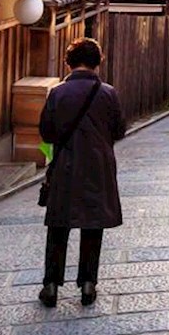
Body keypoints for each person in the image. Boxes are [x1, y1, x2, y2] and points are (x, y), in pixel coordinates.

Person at [38, 38, 126, 307]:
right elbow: (119, 130)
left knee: (58, 225)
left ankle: (51, 285)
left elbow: (47, 132)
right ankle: (88, 284)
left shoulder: (57, 93)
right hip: (97, 165)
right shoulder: (108, 93)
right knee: (92, 223)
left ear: (69, 62)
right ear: (98, 61)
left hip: (65, 164)